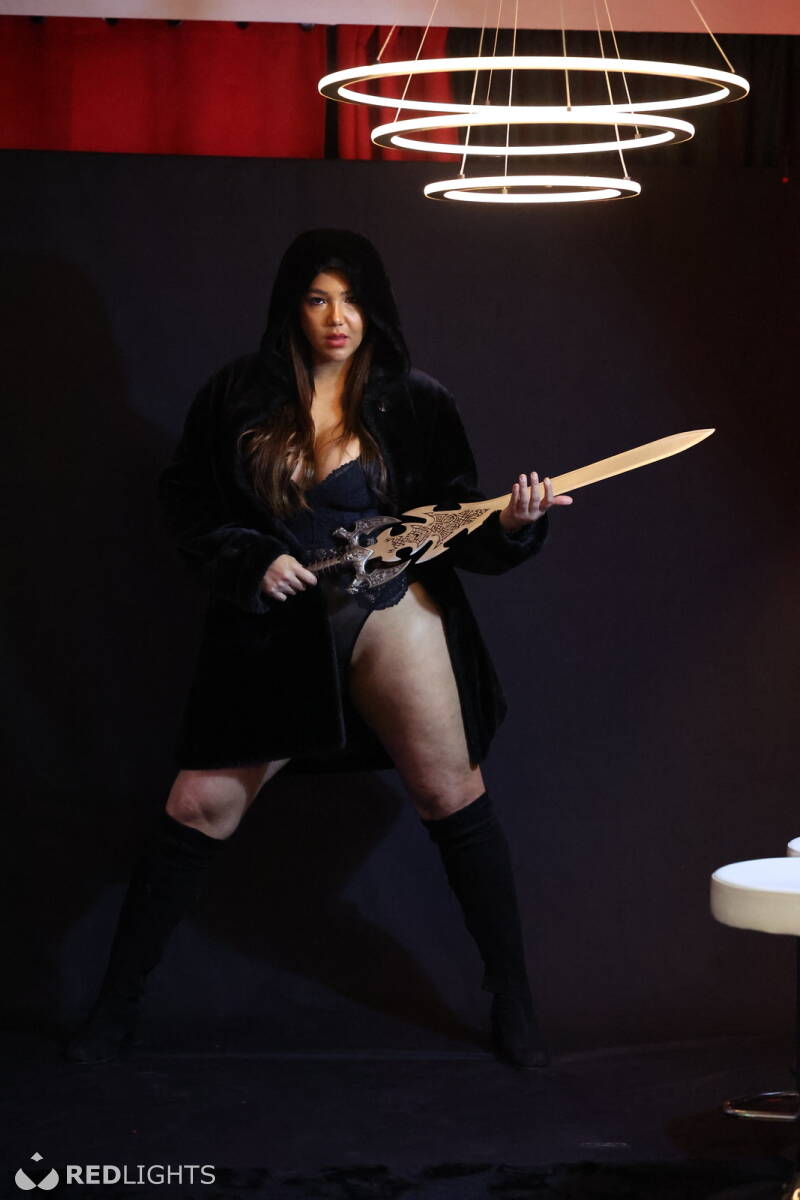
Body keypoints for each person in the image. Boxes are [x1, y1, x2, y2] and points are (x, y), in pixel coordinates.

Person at [65, 228, 572, 1069]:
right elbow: (187, 503)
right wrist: (249, 559)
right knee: (199, 806)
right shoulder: (237, 394)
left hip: (390, 608)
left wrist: (514, 522)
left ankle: (514, 1001)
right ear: (292, 307)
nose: (338, 318)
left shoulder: (418, 402)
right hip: (282, 625)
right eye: (318, 299)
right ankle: (114, 1007)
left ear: (375, 307)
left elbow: (456, 523)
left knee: (451, 792)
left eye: (353, 300)